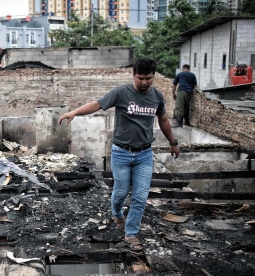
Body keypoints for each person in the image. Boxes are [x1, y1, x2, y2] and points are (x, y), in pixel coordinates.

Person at [58, 58, 180, 252]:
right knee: (121, 193)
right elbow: (97, 104)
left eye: (148, 78)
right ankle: (116, 213)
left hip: (144, 155)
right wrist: (74, 112)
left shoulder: (157, 96)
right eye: (140, 78)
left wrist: (173, 143)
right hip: (121, 153)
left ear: (153, 76)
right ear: (133, 75)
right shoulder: (121, 93)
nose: (144, 82)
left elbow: (163, 119)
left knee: (140, 197)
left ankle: (131, 233)